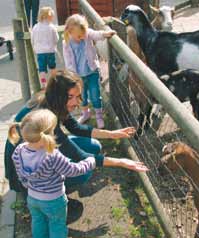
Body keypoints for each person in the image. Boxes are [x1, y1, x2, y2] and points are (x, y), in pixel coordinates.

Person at [9, 109, 148, 238]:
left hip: (33, 198)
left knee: (38, 223)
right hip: (54, 200)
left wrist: (28, 184)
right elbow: (73, 170)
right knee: (57, 225)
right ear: (49, 133)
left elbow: (21, 175)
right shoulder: (52, 155)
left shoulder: (19, 150)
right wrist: (90, 161)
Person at [4, 70, 136, 195]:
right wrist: (121, 162)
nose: (76, 102)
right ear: (60, 95)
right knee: (84, 172)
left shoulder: (53, 101)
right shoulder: (46, 119)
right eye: (70, 96)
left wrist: (112, 134)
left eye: (78, 96)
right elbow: (80, 155)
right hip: (24, 180)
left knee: (94, 146)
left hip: (36, 152)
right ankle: (50, 194)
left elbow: (76, 127)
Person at [63, 14, 115, 129]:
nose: (82, 37)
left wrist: (105, 34)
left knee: (95, 95)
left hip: (92, 71)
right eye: (79, 36)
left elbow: (95, 34)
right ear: (70, 32)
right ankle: (85, 114)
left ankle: (98, 116)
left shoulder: (86, 34)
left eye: (83, 34)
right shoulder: (66, 44)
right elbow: (68, 61)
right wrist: (72, 75)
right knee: (82, 96)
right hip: (78, 76)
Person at [31, 6, 59, 89]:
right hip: (50, 51)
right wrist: (54, 44)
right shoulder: (51, 27)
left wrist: (35, 47)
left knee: (42, 69)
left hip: (40, 52)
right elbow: (56, 39)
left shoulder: (35, 27)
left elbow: (32, 39)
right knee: (52, 67)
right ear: (49, 17)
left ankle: (43, 83)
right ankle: (54, 82)